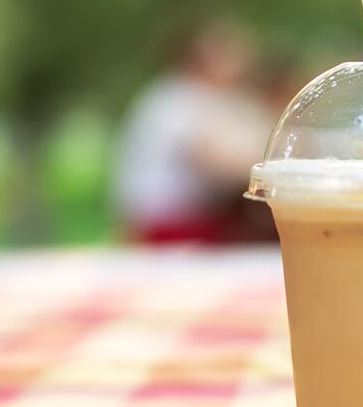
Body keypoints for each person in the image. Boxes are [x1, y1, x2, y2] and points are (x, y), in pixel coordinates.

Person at [114, 19, 274, 244]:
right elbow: (216, 162)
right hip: (172, 225)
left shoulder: (178, 95)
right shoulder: (182, 101)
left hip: (171, 222)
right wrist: (274, 170)